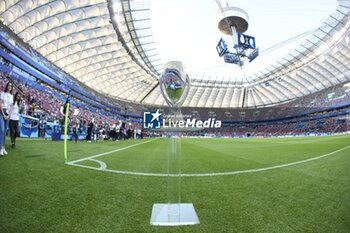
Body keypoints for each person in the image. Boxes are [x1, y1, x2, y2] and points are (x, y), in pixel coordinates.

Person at [0, 82, 13, 156]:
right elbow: (0, 103)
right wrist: (3, 114)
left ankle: (3, 147)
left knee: (5, 131)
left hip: (8, 114)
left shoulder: (11, 96)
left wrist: (8, 115)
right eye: (9, 85)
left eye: (11, 86)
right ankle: (1, 148)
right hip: (2, 112)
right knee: (1, 129)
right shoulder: (2, 93)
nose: (9, 87)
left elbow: (11, 107)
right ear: (7, 86)